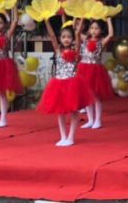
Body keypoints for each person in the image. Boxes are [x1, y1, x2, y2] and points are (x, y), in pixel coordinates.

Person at [38, 19, 94, 147]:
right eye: (63, 37)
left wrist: (82, 18)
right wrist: (46, 20)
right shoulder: (58, 51)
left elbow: (78, 34)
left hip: (72, 84)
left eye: (69, 37)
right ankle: (63, 136)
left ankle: (71, 137)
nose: (66, 39)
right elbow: (52, 36)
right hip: (59, 83)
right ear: (60, 39)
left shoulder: (76, 51)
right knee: (60, 112)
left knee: (74, 111)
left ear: (73, 39)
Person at [75, 17, 114, 130]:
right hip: (83, 68)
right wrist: (82, 18)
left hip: (95, 70)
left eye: (96, 28)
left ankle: (98, 120)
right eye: (92, 28)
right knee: (87, 96)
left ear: (101, 30)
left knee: (96, 96)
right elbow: (77, 32)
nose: (93, 30)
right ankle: (90, 120)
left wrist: (109, 20)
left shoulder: (101, 41)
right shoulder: (85, 39)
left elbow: (111, 34)